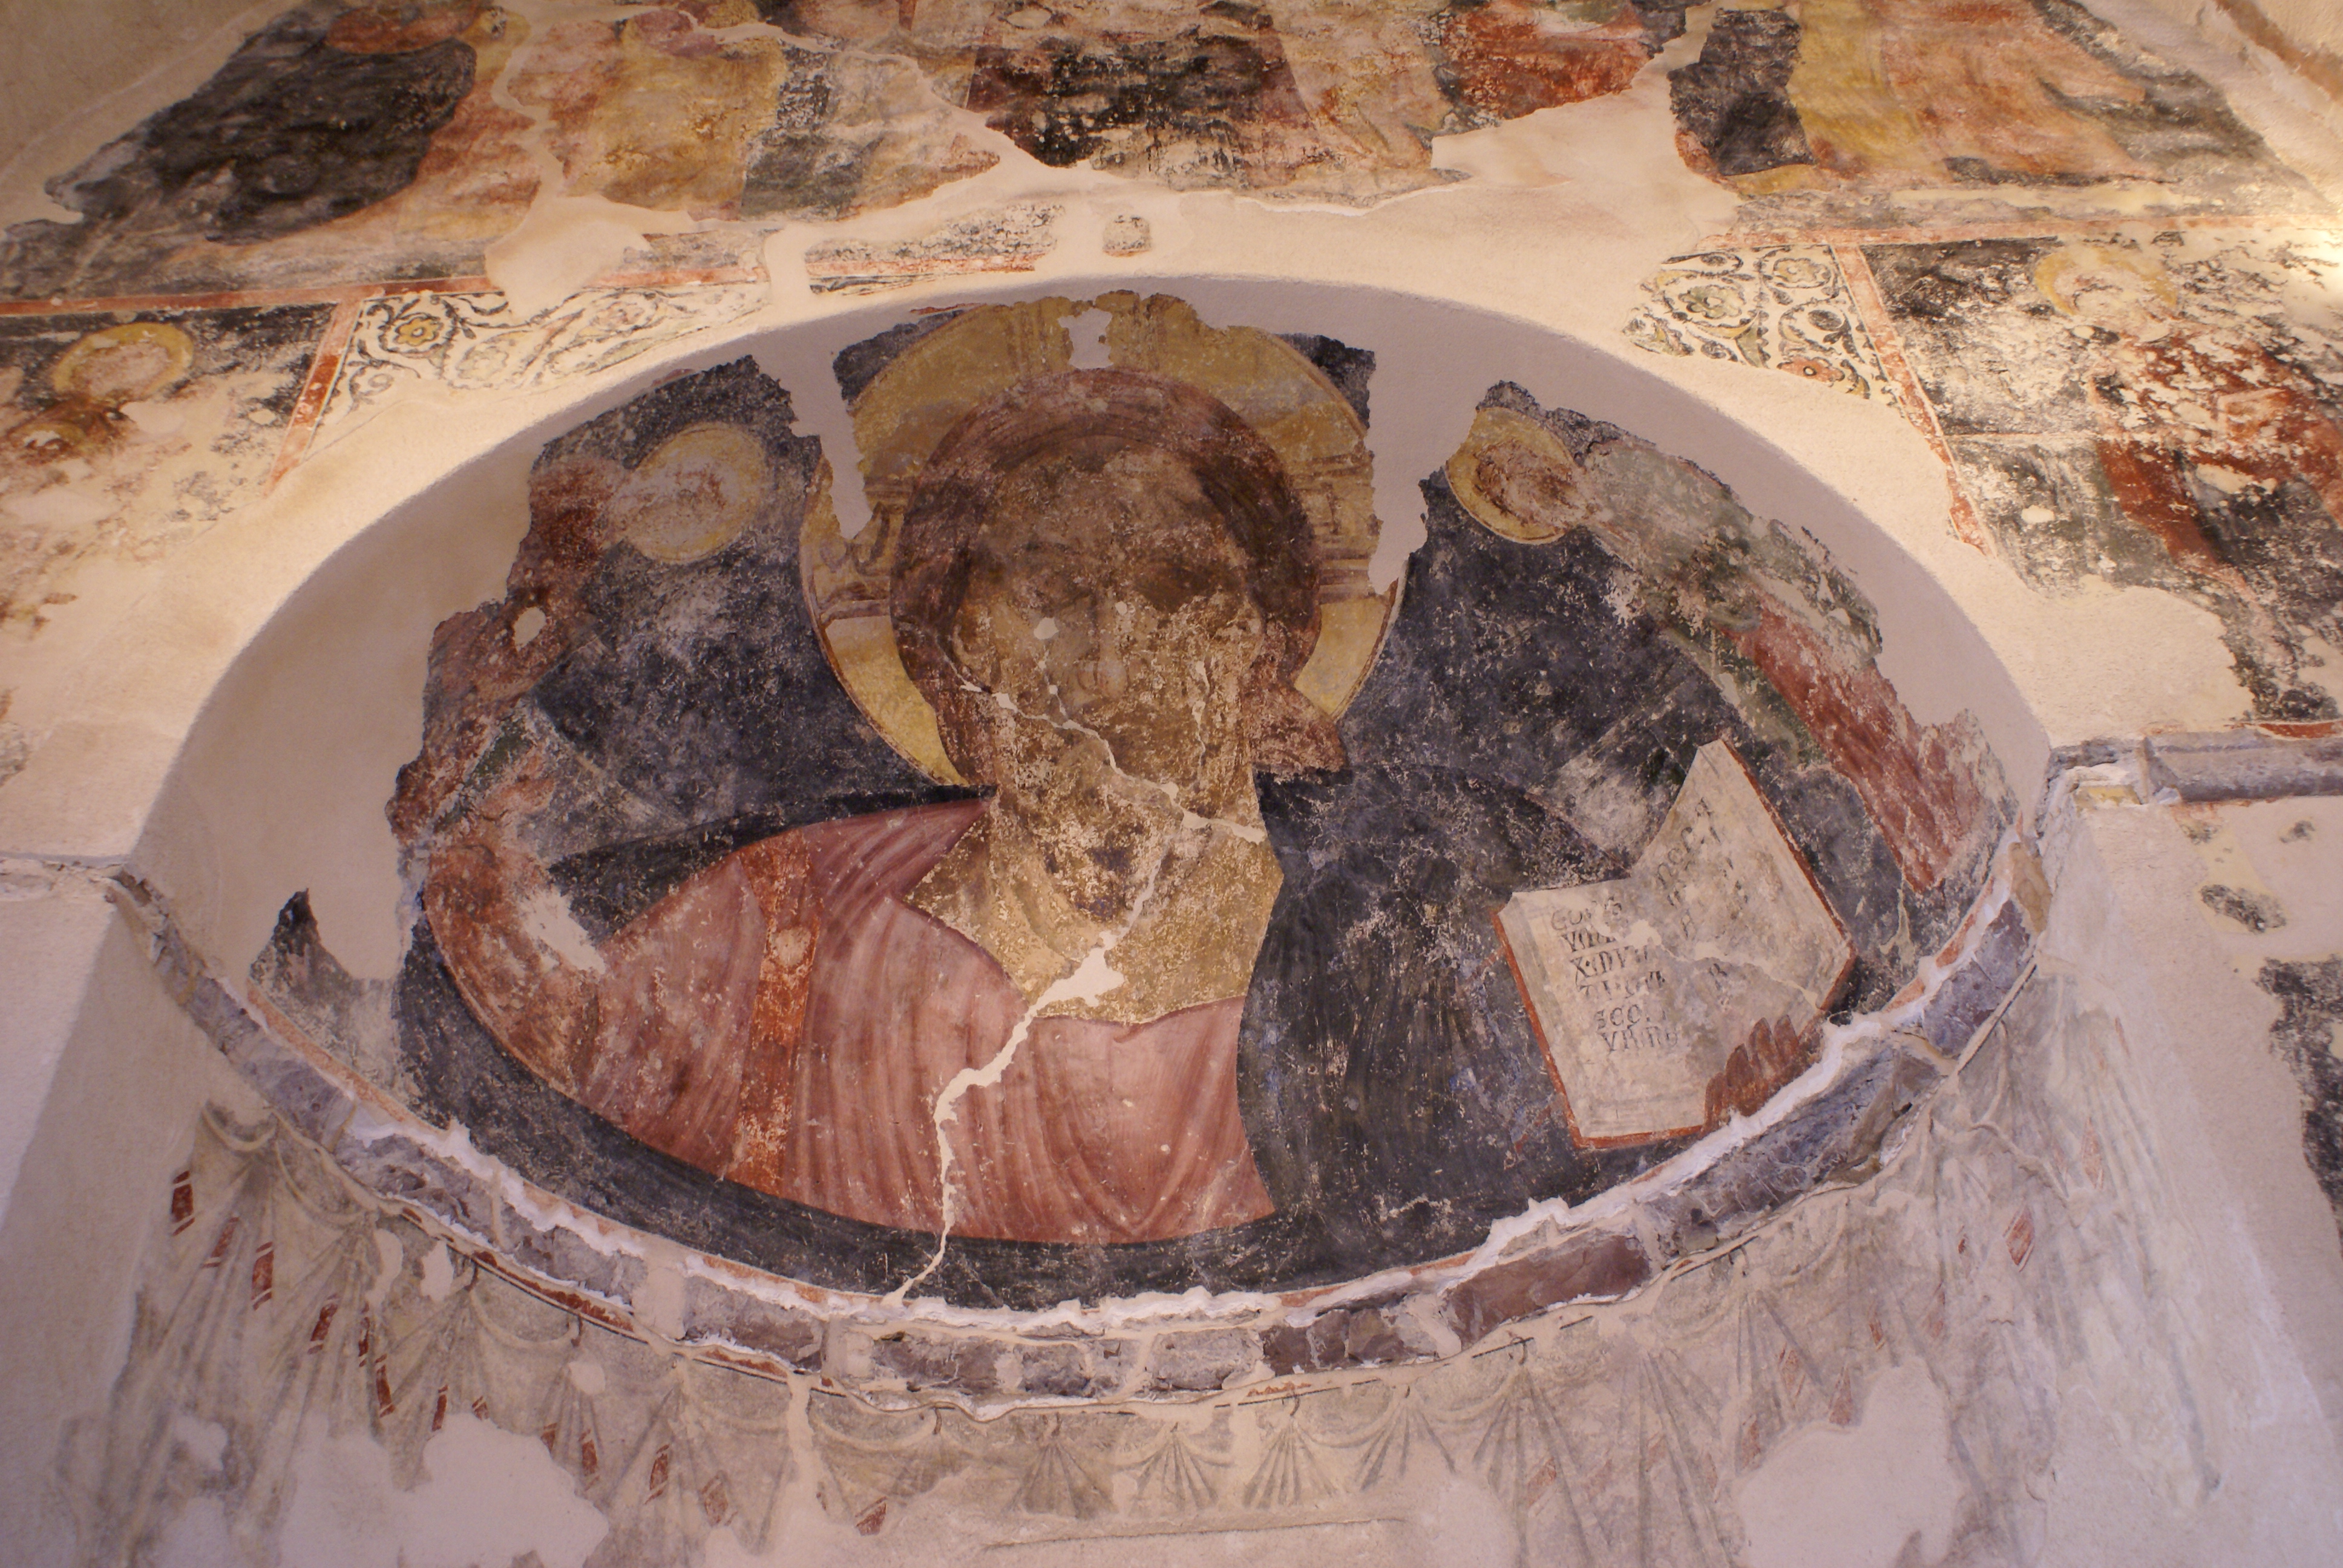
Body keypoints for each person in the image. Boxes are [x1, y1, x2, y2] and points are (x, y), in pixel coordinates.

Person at [424, 368, 1341, 1245]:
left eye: (1170, 589)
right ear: (957, 652)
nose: (1103, 669)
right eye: (1047, 592)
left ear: (1262, 646)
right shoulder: (787, 917)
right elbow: (569, 1050)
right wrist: (466, 801)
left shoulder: (1371, 953)